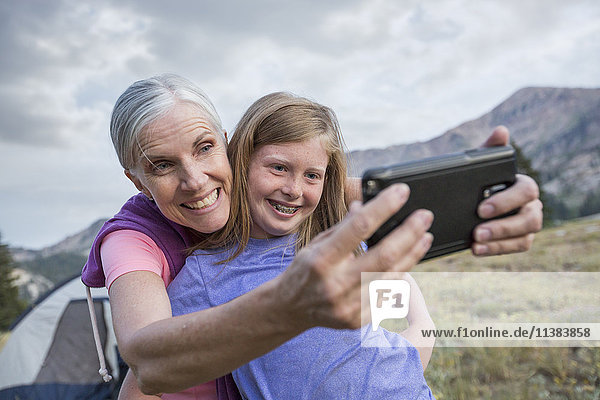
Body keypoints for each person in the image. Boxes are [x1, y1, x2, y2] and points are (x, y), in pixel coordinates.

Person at [80, 74, 543, 398]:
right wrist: (292, 304)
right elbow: (147, 364)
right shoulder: (149, 247)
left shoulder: (332, 228)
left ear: (226, 146)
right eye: (162, 165)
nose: (197, 181)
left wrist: (452, 202)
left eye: (205, 149)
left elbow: (389, 320)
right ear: (136, 178)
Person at [168, 92, 436, 399]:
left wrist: (421, 331)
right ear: (243, 163)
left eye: (312, 176)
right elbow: (154, 372)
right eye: (279, 168)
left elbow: (398, 314)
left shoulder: (340, 242)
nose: (294, 190)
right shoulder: (208, 271)